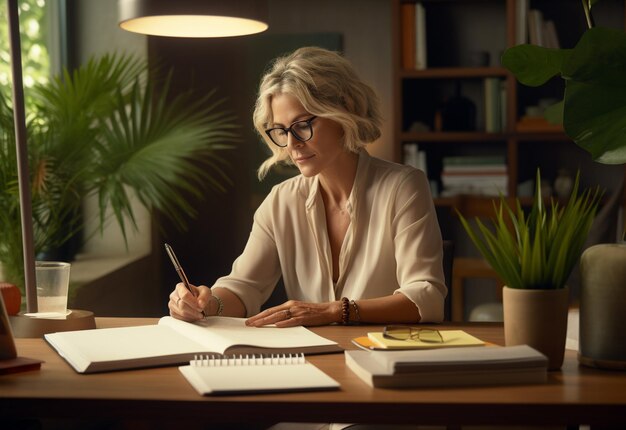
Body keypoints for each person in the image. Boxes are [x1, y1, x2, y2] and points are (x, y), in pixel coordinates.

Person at [168, 46, 446, 327]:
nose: (291, 144)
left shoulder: (402, 187)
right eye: (281, 130)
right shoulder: (281, 201)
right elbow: (244, 287)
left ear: (343, 111)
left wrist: (336, 311)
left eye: (302, 125)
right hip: (313, 360)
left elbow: (426, 297)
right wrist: (205, 303)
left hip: (382, 355)